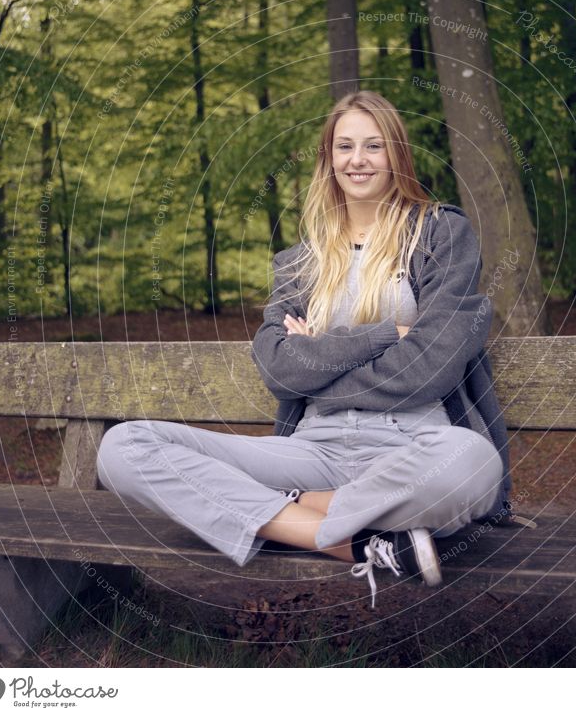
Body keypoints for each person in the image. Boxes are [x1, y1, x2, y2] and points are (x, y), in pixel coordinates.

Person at [96, 90, 511, 608]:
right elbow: (281, 371)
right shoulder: (299, 262)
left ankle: (287, 511)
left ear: (397, 155)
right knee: (124, 448)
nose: (357, 160)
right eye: (344, 147)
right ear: (328, 159)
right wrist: (388, 335)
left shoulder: (441, 235)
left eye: (373, 146)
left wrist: (322, 363)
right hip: (310, 451)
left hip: (415, 447)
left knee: (472, 465)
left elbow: (430, 371)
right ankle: (354, 541)